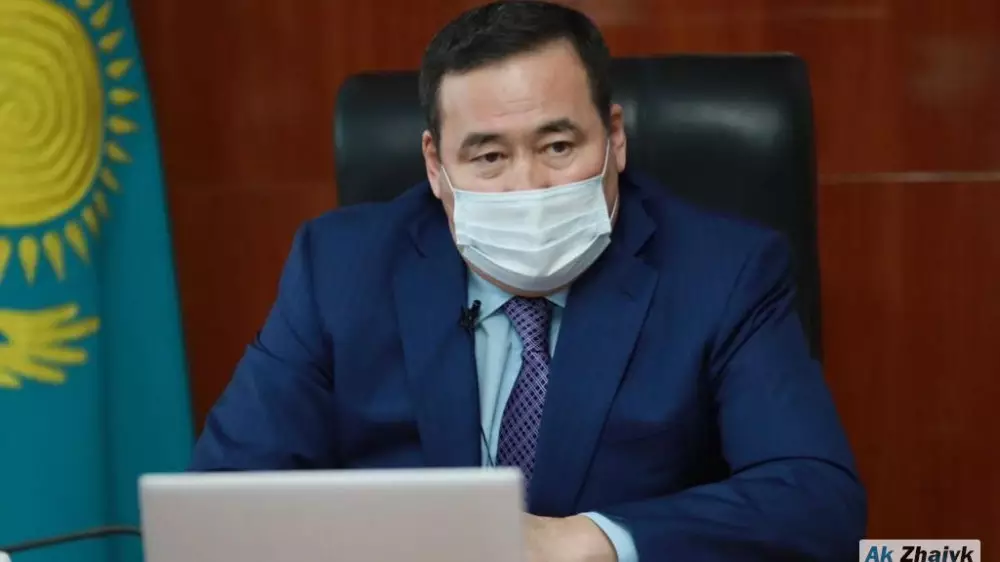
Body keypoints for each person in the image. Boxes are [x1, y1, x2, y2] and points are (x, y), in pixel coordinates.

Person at [189, 1, 867, 560]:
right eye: (488, 156)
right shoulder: (340, 267)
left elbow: (815, 499)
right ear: (435, 166)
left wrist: (593, 541)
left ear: (615, 138)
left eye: (558, 146)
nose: (528, 186)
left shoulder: (723, 273)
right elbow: (221, 502)